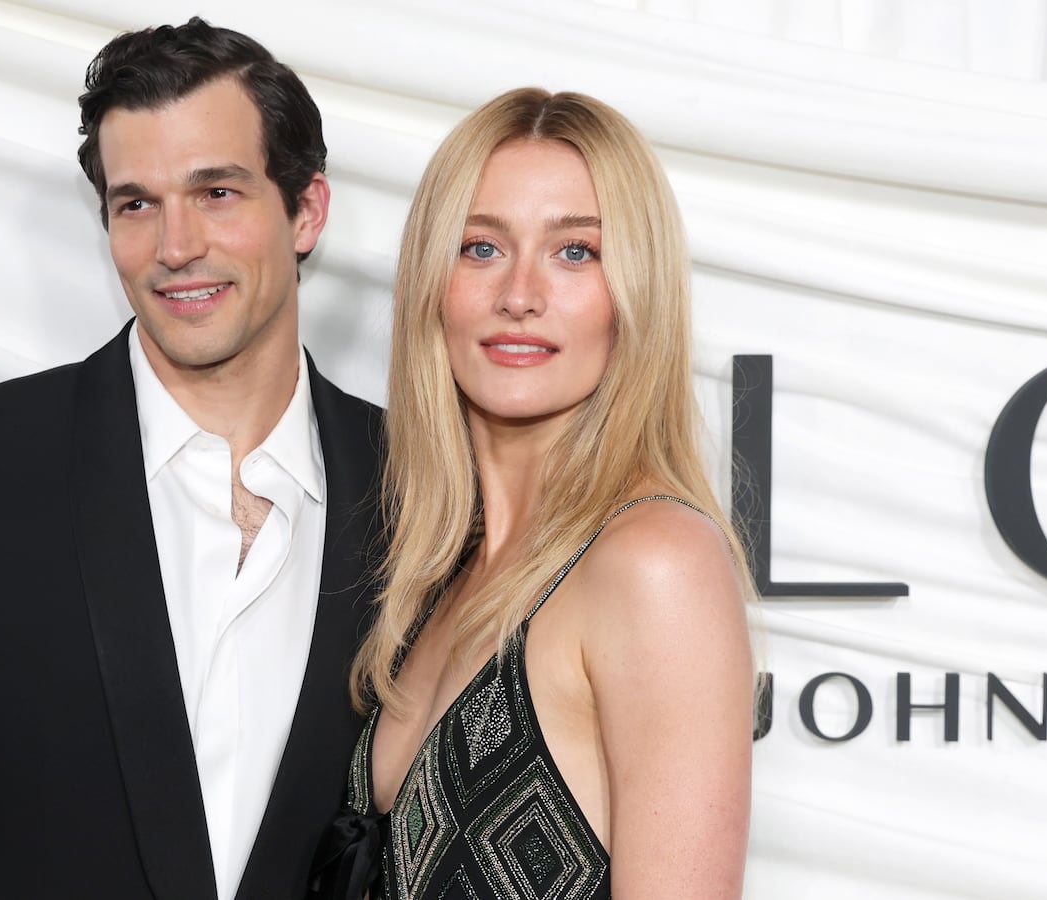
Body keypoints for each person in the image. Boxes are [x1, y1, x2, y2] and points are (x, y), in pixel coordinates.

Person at [0, 18, 383, 900]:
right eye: (137, 204)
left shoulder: (418, 484)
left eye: (218, 194)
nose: (175, 247)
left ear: (305, 210)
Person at [310, 89, 756, 899]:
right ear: (431, 284)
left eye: (574, 252)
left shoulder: (653, 563)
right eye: (480, 248)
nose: (520, 293)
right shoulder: (441, 569)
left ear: (636, 295)